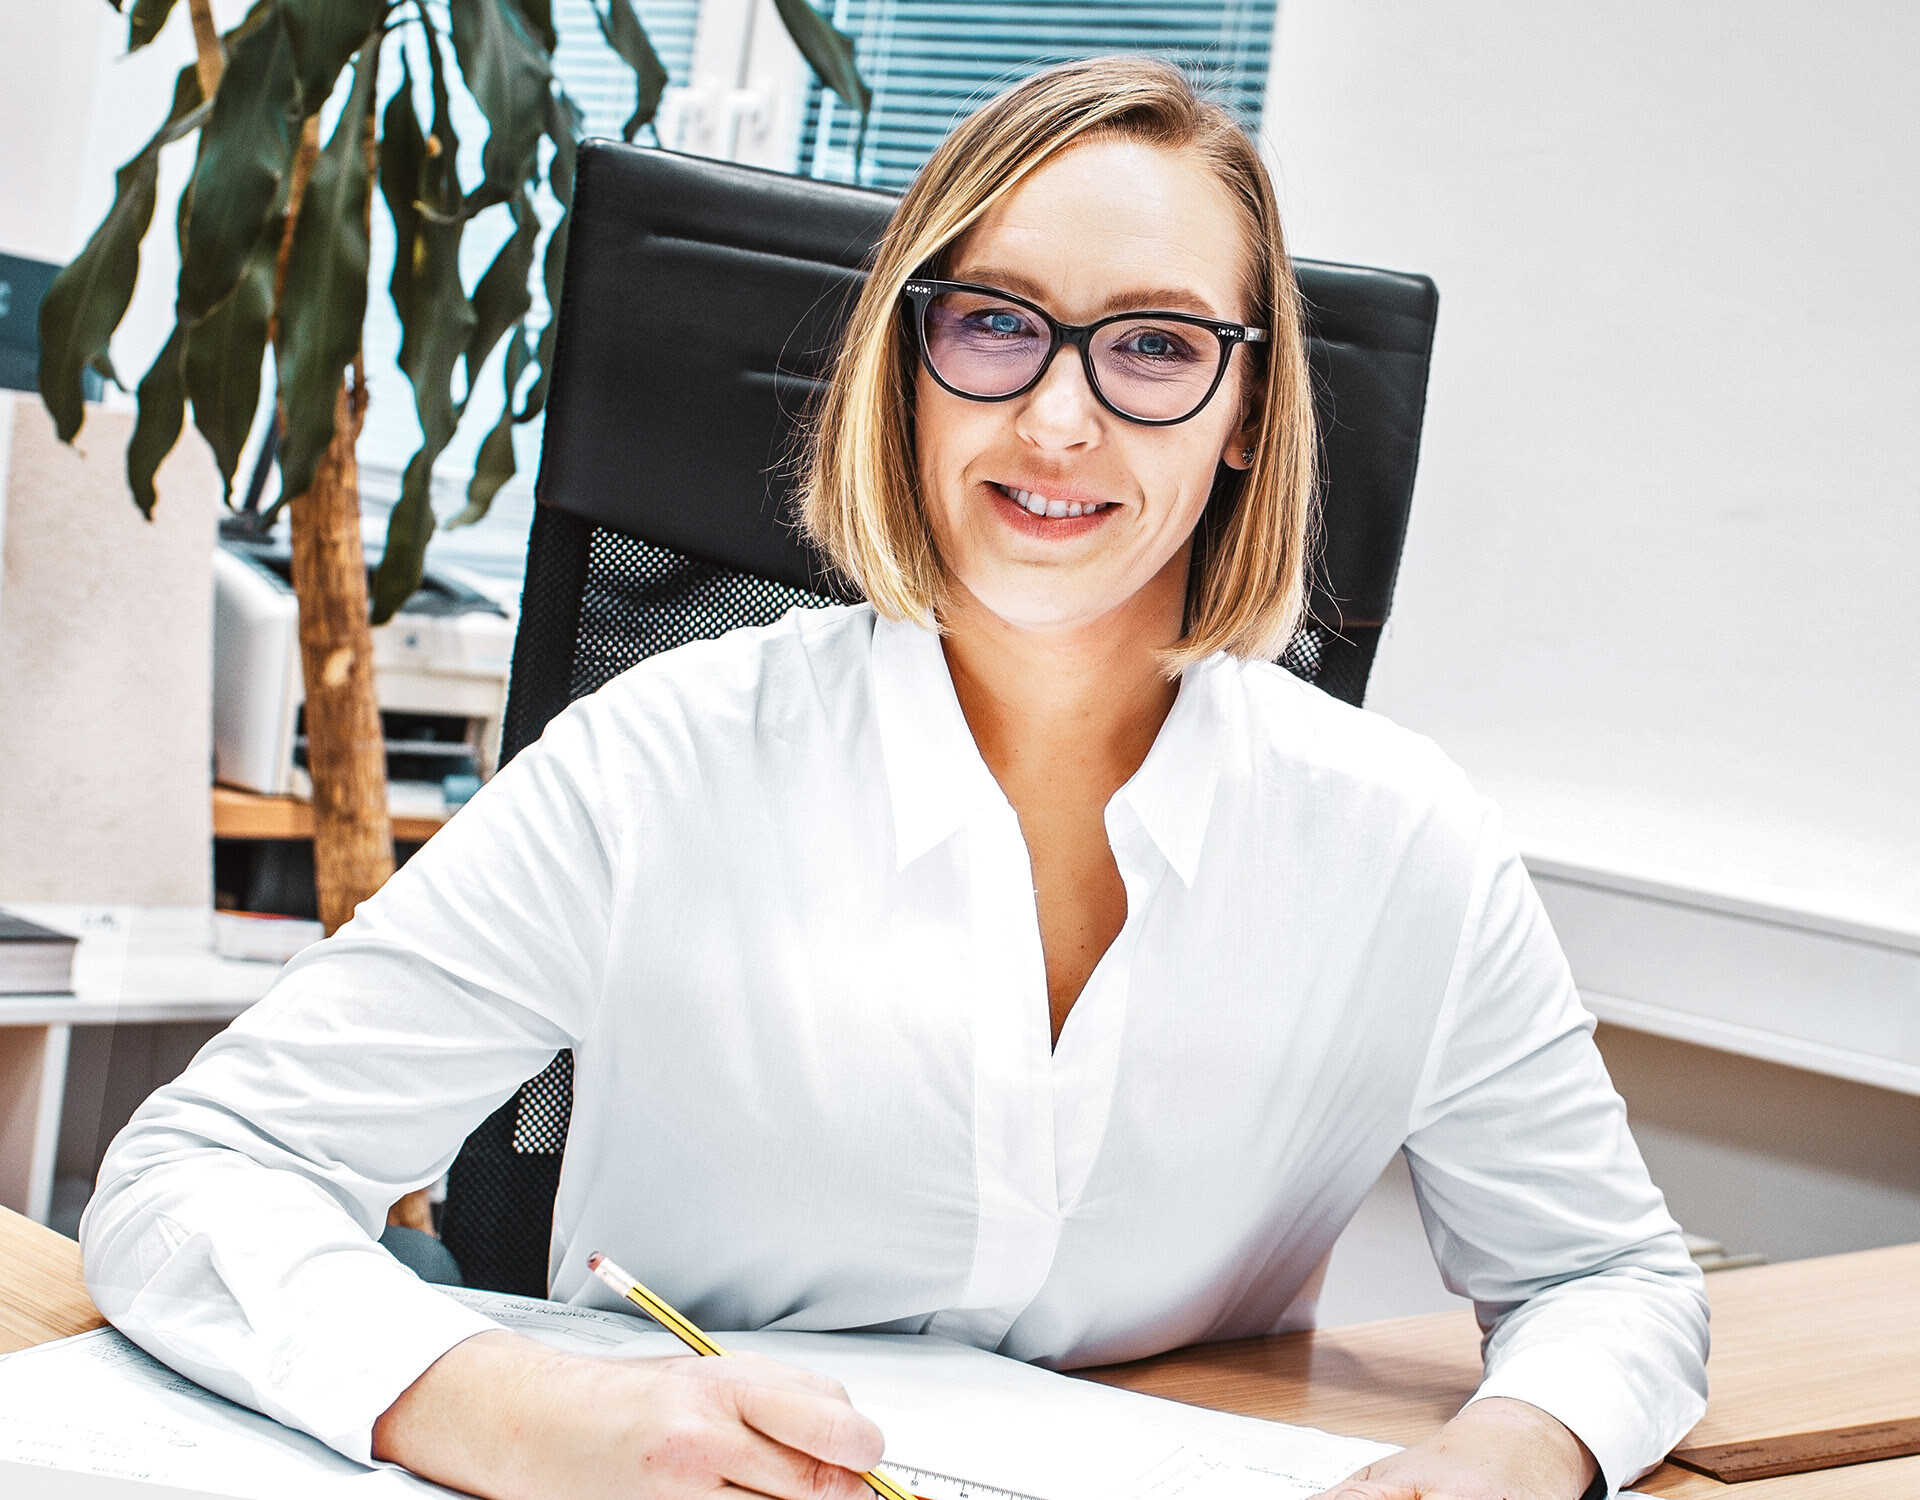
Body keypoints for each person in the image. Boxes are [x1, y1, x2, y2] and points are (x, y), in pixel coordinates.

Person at [83, 55, 1706, 1500]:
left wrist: (1517, 1449)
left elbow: (1613, 1279)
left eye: (1152, 347)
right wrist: (506, 1412)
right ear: (908, 366)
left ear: (1244, 415)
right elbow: (195, 1177)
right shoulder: (665, 763)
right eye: (995, 324)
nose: (1059, 418)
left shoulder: (1398, 843)